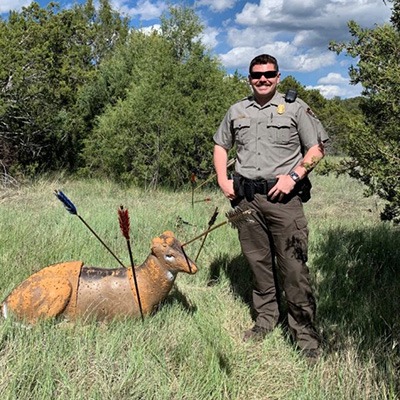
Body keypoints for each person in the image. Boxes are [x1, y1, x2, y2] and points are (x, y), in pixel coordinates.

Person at [213, 54, 328, 362]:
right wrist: (223, 180)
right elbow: (221, 144)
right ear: (249, 78)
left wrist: (294, 176)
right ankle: (266, 321)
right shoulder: (237, 110)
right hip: (246, 200)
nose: (262, 79)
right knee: (258, 265)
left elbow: (316, 149)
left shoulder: (295, 108)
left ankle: (305, 336)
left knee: (293, 269)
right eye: (256, 75)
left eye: (268, 74)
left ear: (278, 76)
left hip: (284, 201)